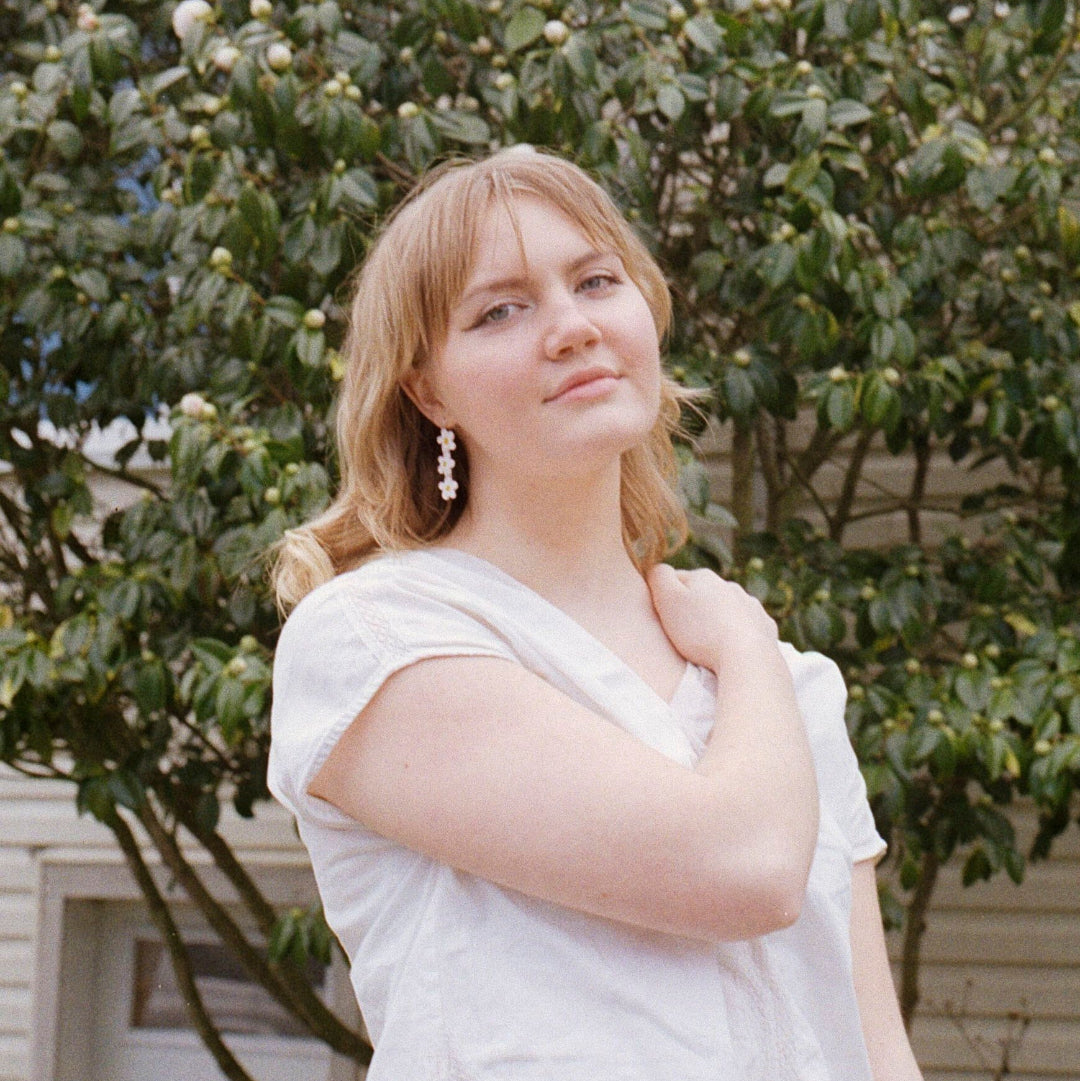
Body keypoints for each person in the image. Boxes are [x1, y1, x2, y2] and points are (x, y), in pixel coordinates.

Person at [267, 146, 923, 1080]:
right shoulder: (376, 639)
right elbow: (744, 866)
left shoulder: (788, 690)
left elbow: (875, 1050)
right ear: (429, 389)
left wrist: (751, 658)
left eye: (596, 281)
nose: (571, 327)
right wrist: (745, 639)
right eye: (501, 309)